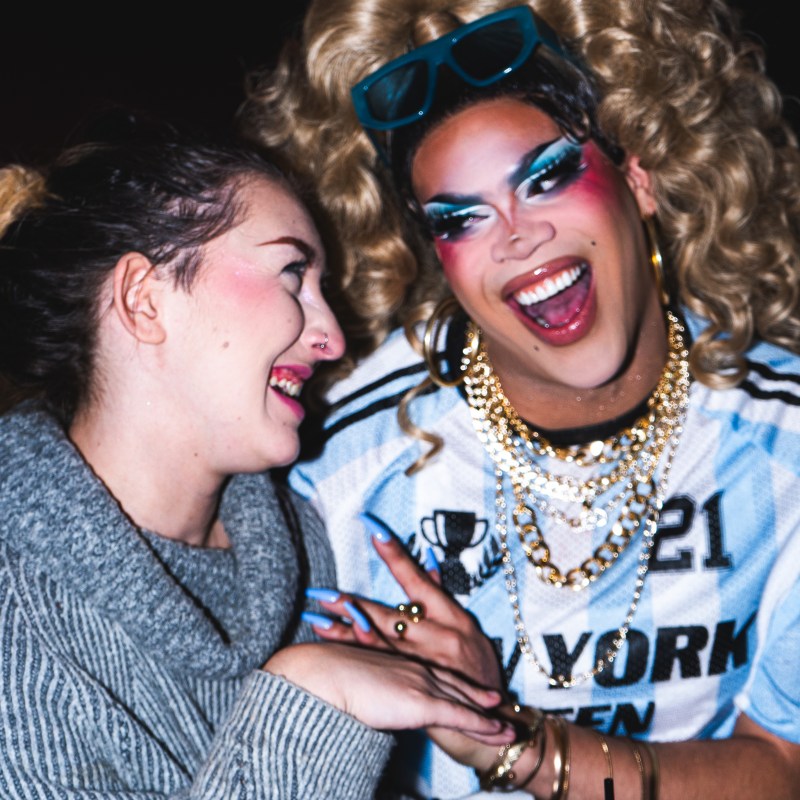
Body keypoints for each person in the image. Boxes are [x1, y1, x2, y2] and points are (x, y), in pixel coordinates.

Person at [240, 0, 800, 797]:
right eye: (461, 220)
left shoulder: (784, 442)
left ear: (638, 175)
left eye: (547, 177)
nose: (515, 236)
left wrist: (506, 740)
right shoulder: (336, 463)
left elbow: (782, 768)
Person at [0, 123, 514, 798]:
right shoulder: (17, 623)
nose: (331, 339)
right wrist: (313, 696)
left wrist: (478, 717)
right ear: (143, 299)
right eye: (292, 274)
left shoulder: (308, 550)